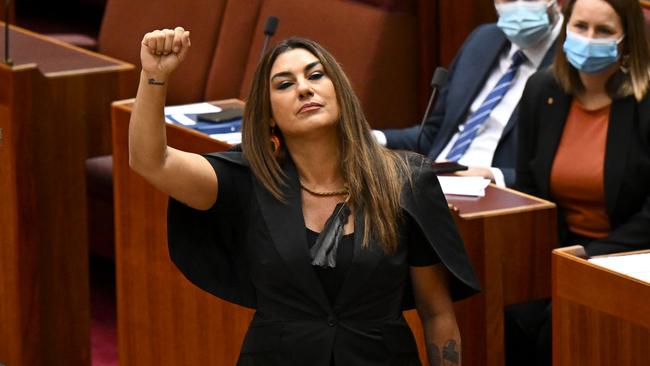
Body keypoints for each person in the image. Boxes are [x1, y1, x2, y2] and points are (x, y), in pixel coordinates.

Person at [128, 27, 480, 366]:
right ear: (267, 116)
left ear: (338, 90)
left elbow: (437, 313)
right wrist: (154, 76)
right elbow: (152, 161)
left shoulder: (405, 180)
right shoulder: (248, 180)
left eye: (315, 75)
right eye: (284, 84)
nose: (303, 89)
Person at [509, 0, 650, 364]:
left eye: (604, 31)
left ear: (628, 40)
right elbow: (528, 190)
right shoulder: (542, 91)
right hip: (555, 250)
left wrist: (588, 257)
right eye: (580, 26)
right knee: (508, 317)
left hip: (627, 256)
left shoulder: (645, 103)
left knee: (557, 333)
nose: (589, 39)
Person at [376, 0, 562, 187]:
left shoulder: (571, 65)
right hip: (431, 184)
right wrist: (374, 138)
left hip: (495, 195)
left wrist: (494, 175)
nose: (519, 5)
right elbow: (432, 134)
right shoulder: (482, 39)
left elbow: (559, 170)